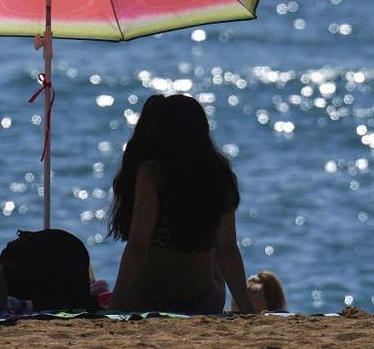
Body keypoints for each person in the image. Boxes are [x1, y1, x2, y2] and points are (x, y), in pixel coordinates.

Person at [106, 94, 261, 314]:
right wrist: (247, 309)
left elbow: (138, 247)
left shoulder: (152, 174)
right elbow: (228, 250)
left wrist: (116, 305)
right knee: (217, 248)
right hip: (205, 301)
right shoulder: (221, 175)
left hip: (148, 300)